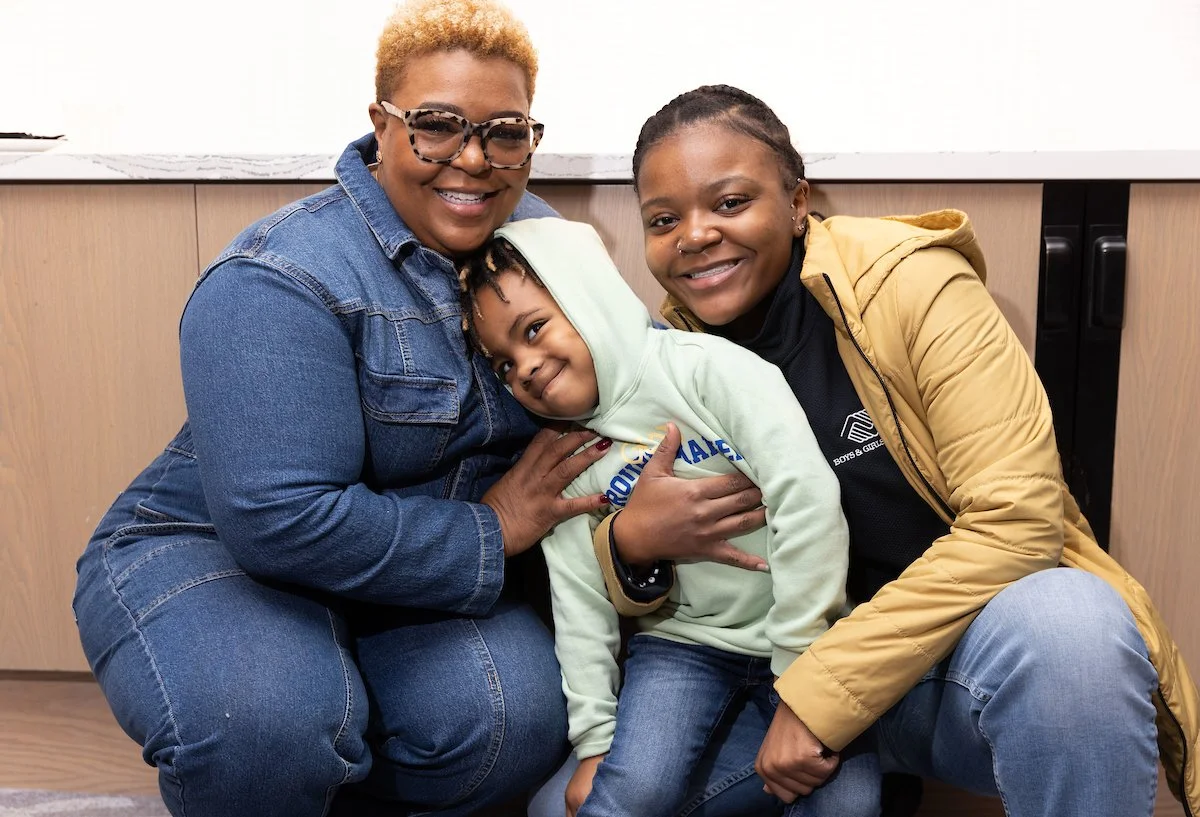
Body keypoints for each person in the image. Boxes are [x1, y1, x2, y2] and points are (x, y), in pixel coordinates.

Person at [70, 2, 622, 815]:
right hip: (218, 547)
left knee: (513, 718)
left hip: (408, 563)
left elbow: (633, 368)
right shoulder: (278, 274)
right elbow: (277, 517)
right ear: (381, 123)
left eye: (505, 131)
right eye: (436, 126)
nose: (472, 160)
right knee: (266, 727)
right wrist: (494, 529)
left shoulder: (543, 243)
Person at [588, 84, 1200, 817]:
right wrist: (630, 548)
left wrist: (822, 695)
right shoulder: (666, 358)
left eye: (728, 202)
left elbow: (1018, 520)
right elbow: (662, 594)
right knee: (554, 805)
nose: (694, 234)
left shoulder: (911, 284)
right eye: (664, 219)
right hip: (767, 679)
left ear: (796, 201)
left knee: (1073, 628)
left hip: (942, 673)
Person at [458, 217, 881, 817]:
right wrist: (595, 744)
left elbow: (808, 498)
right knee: (628, 795)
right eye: (503, 365)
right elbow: (580, 604)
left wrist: (800, 663)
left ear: (588, 296)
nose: (523, 367)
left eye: (534, 329)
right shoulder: (566, 454)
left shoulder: (708, 369)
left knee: (851, 804)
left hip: (814, 641)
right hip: (683, 646)